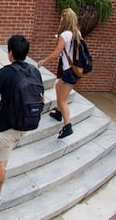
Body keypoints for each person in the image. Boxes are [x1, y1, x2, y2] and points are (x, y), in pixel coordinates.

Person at [0, 35, 43, 207]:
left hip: (8, 125)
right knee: (4, 148)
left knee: (1, 161)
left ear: (10, 53)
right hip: (27, 121)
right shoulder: (34, 71)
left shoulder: (5, 73)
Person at [37, 8, 82, 139]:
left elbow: (56, 53)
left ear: (65, 20)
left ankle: (67, 126)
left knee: (62, 100)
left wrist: (42, 61)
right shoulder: (77, 33)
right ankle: (58, 112)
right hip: (75, 71)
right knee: (58, 86)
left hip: (69, 72)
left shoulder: (65, 35)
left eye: (62, 19)